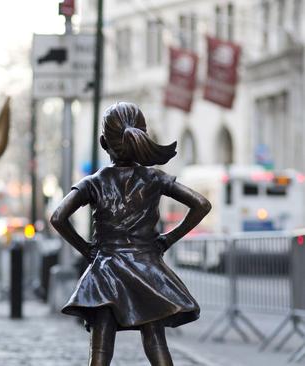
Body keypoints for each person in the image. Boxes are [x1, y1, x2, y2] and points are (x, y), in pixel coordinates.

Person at [50, 102, 211, 366]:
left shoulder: (94, 182)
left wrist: (87, 249)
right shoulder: (154, 178)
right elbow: (201, 204)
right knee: (155, 341)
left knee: (100, 349)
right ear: (141, 137)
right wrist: (167, 240)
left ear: (104, 143)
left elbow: (58, 217)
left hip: (105, 270)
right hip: (147, 268)